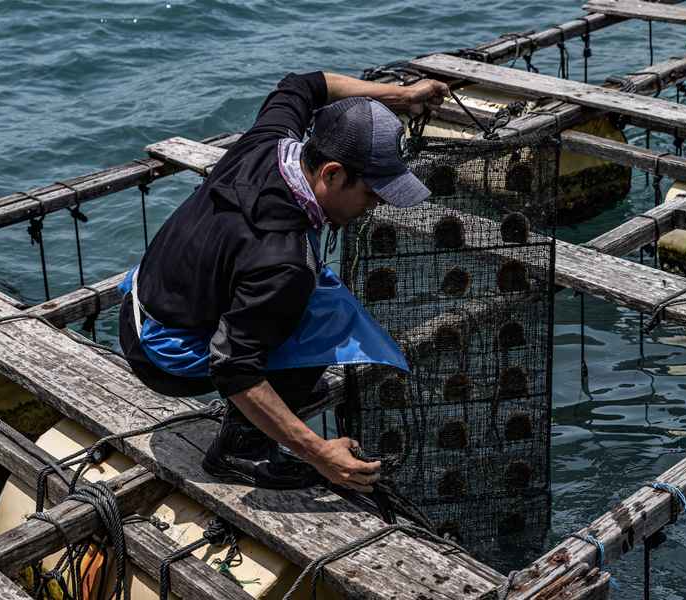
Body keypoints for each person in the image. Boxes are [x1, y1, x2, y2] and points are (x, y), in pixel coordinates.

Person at [118, 71, 448, 493]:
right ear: (331, 174)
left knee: (311, 295)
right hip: (163, 354)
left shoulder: (272, 141)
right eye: (372, 193)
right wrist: (317, 451)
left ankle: (259, 416)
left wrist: (403, 95)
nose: (375, 206)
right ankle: (239, 451)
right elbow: (233, 367)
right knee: (327, 322)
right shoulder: (282, 262)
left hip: (145, 299)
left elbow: (307, 84)